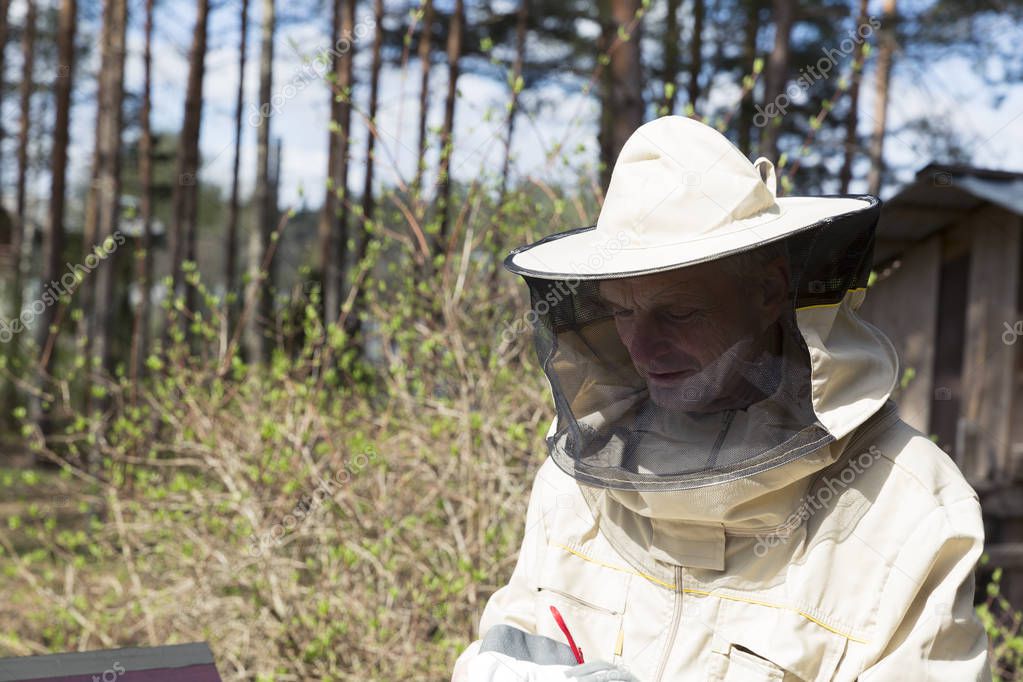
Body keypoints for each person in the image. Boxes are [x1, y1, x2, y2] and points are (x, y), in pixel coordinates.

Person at [451, 116, 992, 681]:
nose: (642, 346)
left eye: (678, 312)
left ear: (766, 289)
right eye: (621, 311)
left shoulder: (911, 509)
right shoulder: (576, 481)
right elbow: (505, 645)